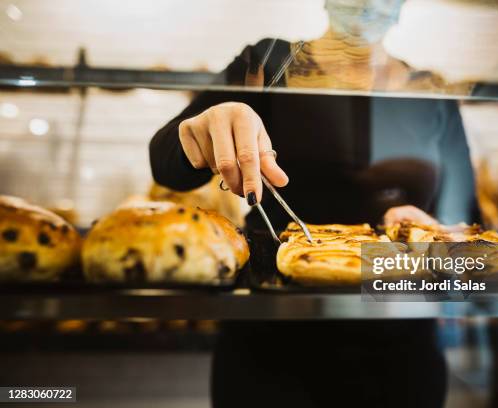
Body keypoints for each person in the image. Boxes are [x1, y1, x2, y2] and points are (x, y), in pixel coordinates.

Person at [150, 1, 478, 406]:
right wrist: (207, 124)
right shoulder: (269, 62)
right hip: (271, 342)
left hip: (399, 340)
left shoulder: (430, 90)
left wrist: (434, 228)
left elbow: (466, 218)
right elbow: (166, 165)